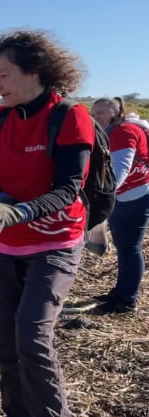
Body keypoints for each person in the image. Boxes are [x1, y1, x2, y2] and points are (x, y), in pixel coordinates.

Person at [0, 30, 94, 417]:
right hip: (5, 246)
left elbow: (69, 187)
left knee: (32, 336)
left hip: (56, 242)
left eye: (3, 75)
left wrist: (22, 210)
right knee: (7, 340)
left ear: (34, 72)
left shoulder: (69, 117)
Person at [89, 97, 149, 313]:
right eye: (94, 114)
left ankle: (127, 300)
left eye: (101, 113)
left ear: (115, 113)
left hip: (134, 196)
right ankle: (121, 292)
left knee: (130, 248)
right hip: (123, 196)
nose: (97, 118)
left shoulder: (124, 132)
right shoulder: (110, 132)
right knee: (125, 248)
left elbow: (120, 172)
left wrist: (102, 199)